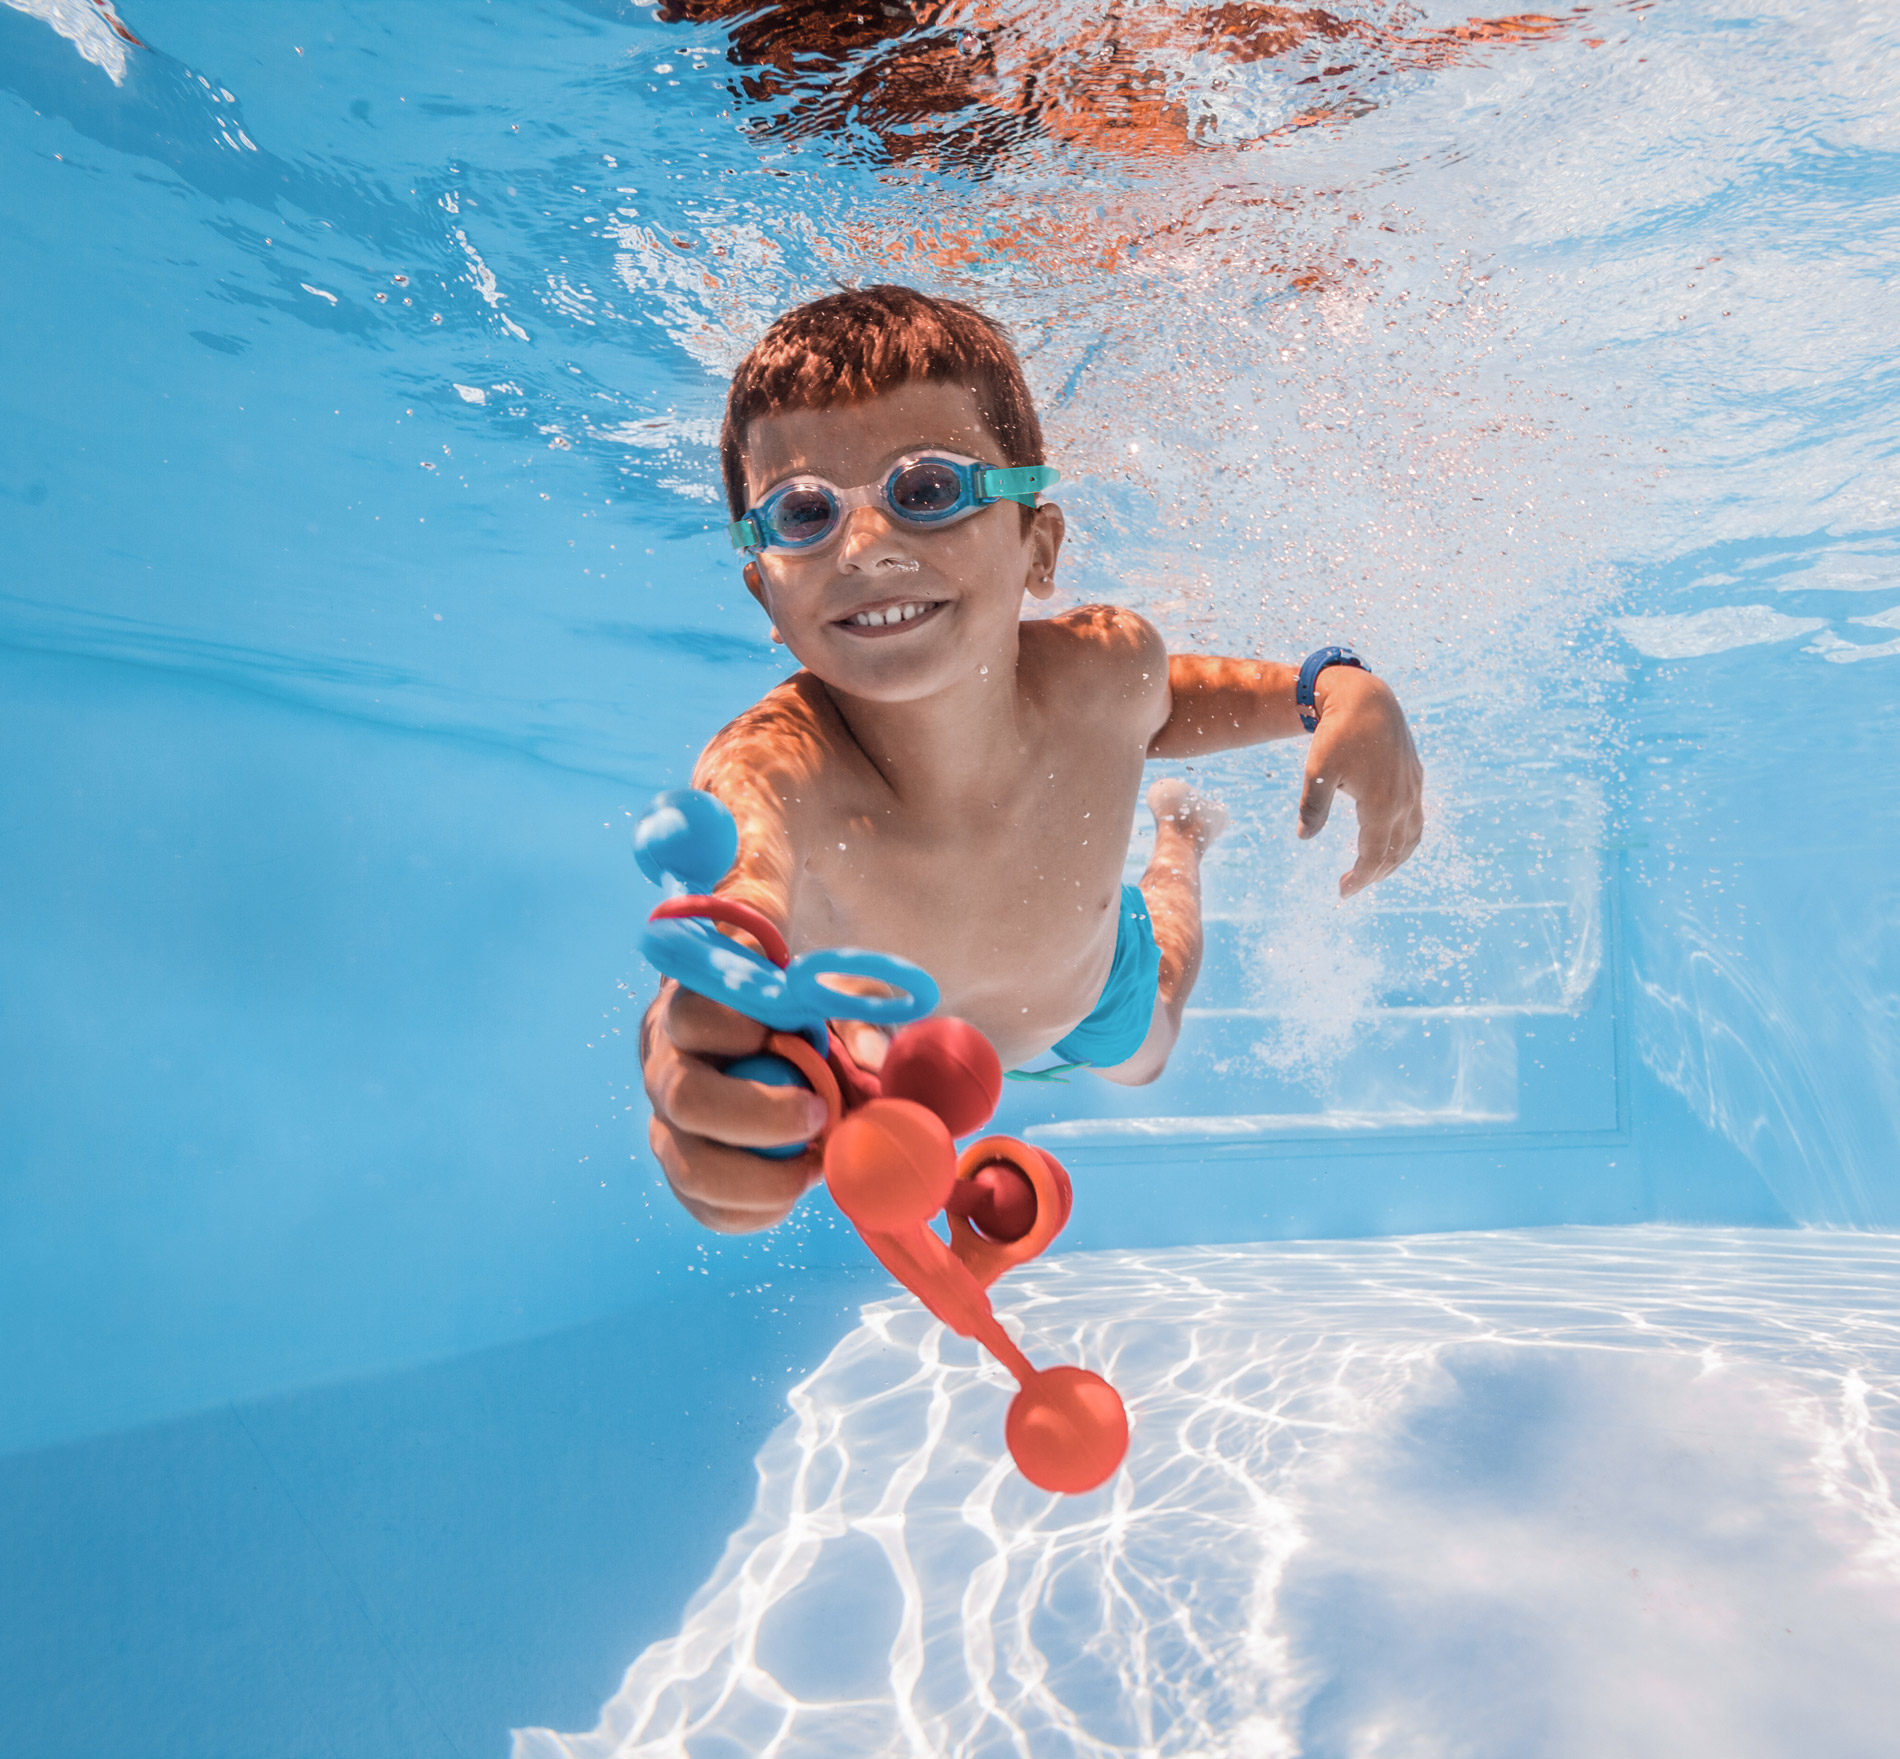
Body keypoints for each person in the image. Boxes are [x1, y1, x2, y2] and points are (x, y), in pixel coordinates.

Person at [641, 284, 1423, 1232]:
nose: (870, 548)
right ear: (766, 591)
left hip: (1085, 993)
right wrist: (689, 1055)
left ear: (1038, 547)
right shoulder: (769, 765)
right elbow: (733, 916)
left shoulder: (1105, 665)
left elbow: (1171, 698)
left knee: (1152, 1049)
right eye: (805, 514)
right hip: (891, 1066)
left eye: (925, 491)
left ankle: (1179, 841)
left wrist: (1337, 688)